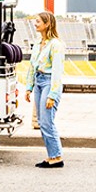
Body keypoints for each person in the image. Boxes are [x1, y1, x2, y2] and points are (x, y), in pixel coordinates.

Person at [24, 10, 67, 168]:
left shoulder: (56, 45)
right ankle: (53, 155)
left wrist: (52, 95)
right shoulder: (38, 43)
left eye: (38, 21)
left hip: (49, 83)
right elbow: (32, 66)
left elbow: (57, 71)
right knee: (42, 122)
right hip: (39, 81)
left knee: (47, 122)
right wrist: (29, 87)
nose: (35, 24)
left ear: (47, 24)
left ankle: (56, 157)